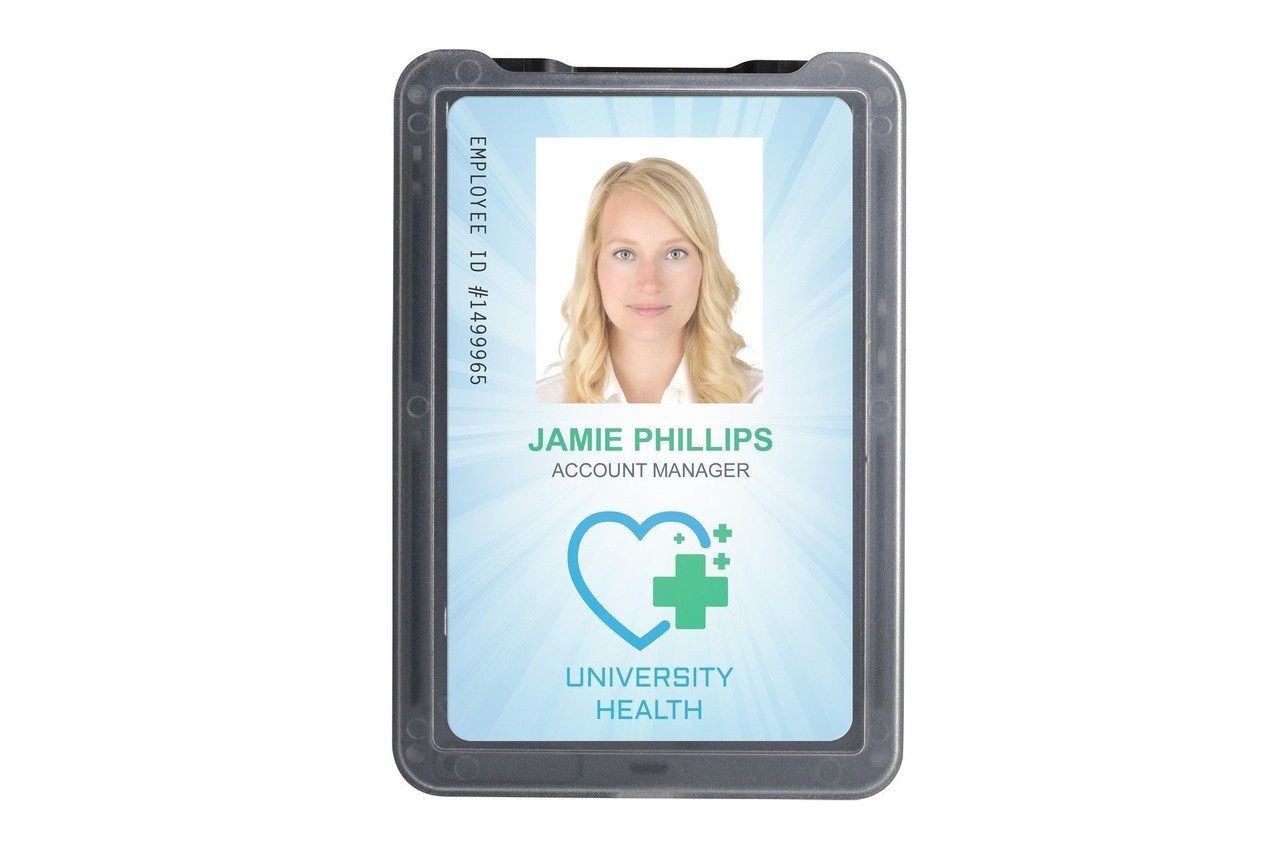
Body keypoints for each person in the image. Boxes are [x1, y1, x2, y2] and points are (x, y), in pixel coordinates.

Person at [537, 158, 763, 404]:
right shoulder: (541, 406)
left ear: (704, 266)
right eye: (625, 254)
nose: (650, 284)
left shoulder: (760, 400)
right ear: (594, 267)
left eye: (675, 254)